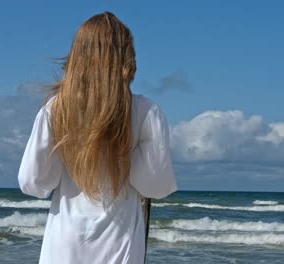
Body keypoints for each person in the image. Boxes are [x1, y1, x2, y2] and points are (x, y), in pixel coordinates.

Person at [18, 11, 177, 264]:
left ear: (77, 57)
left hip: (63, 246)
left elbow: (34, 183)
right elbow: (156, 186)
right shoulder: (145, 111)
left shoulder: (56, 109)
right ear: (127, 57)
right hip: (120, 248)